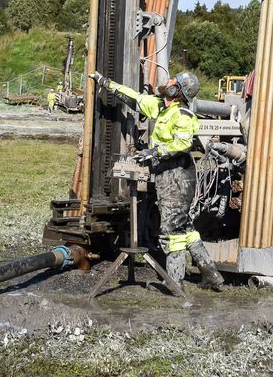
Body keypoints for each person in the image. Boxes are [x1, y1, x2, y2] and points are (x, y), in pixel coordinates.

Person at [89, 70, 224, 291]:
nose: (167, 82)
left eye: (172, 81)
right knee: (184, 226)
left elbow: (182, 144)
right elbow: (135, 99)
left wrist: (155, 152)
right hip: (168, 175)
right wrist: (107, 84)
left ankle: (174, 283)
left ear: (176, 90)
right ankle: (211, 274)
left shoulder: (183, 115)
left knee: (171, 231)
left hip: (179, 177)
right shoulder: (162, 107)